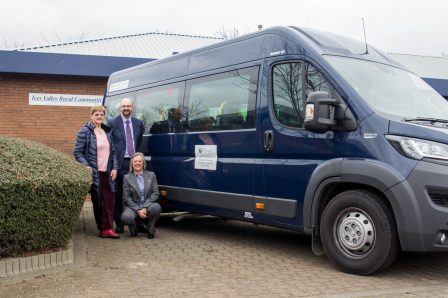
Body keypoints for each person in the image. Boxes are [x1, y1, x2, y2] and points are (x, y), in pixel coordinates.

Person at [74, 105, 119, 239]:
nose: (99, 116)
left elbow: (114, 153)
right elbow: (77, 152)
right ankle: (102, 227)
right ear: (91, 116)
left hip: (108, 173)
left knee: (110, 200)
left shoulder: (107, 132)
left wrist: (115, 168)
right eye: (96, 114)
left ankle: (108, 228)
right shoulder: (85, 131)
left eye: (101, 114)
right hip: (95, 173)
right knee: (98, 201)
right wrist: (86, 165)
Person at [108, 98, 145, 233]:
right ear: (120, 108)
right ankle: (119, 223)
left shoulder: (139, 123)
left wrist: (137, 158)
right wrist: (113, 166)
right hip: (120, 163)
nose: (126, 108)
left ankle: (139, 222)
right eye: (124, 106)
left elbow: (139, 140)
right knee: (118, 194)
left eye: (128, 106)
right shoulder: (112, 122)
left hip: (135, 162)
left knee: (138, 192)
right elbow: (110, 144)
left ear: (132, 107)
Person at [121, 152, 161, 239]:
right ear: (132, 163)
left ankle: (150, 229)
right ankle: (134, 228)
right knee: (126, 217)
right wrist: (138, 209)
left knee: (156, 207)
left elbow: (155, 193)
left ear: (143, 163)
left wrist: (145, 207)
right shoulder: (127, 178)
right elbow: (126, 197)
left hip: (148, 205)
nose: (137, 163)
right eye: (135, 161)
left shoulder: (151, 175)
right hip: (133, 206)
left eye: (140, 161)